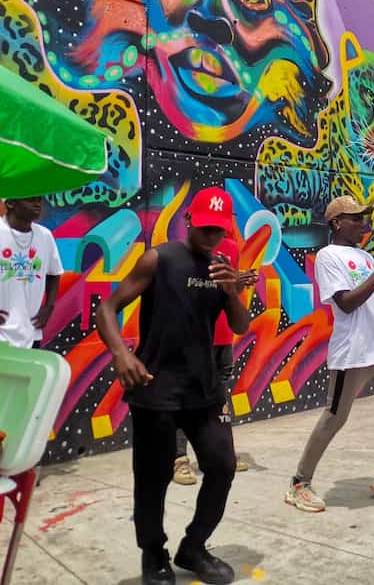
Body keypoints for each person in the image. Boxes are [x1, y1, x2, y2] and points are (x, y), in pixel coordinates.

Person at [95, 187, 251, 585]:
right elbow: (107, 308)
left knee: (222, 465)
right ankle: (153, 553)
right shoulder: (159, 259)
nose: (211, 236)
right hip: (156, 388)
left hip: (203, 389)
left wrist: (232, 291)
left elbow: (240, 326)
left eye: (218, 230)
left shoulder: (222, 266)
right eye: (204, 228)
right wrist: (121, 354)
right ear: (188, 221)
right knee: (152, 477)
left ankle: (193, 547)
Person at [285, 196, 374, 513]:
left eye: (364, 217)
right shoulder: (329, 257)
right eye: (356, 218)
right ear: (336, 223)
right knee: (334, 418)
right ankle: (299, 483)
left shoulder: (363, 256)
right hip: (354, 353)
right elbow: (345, 302)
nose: (363, 223)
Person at [174, 235, 257, 485]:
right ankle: (178, 459)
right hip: (196, 335)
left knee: (219, 397)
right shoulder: (185, 250)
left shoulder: (231, 247)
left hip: (223, 335)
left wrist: (239, 283)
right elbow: (189, 291)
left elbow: (229, 294)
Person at [0, 197, 63, 349]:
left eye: (39, 200)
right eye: (30, 200)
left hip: (32, 331)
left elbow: (54, 273)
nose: (38, 204)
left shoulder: (45, 236)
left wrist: (49, 306)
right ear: (10, 203)